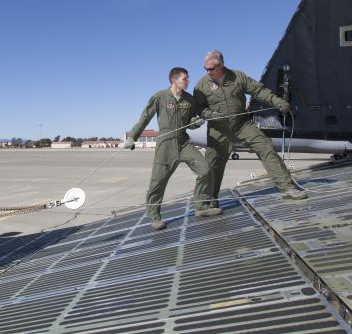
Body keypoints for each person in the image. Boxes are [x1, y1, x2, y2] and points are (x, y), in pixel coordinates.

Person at [193, 50, 307, 205]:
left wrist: (278, 102)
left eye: (211, 68)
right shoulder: (201, 84)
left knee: (266, 148)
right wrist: (211, 115)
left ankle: (288, 188)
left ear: (221, 64)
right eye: (205, 68)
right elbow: (199, 108)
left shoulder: (238, 77)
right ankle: (210, 200)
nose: (208, 72)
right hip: (218, 128)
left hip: (242, 123)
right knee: (214, 163)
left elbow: (258, 91)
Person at [125, 67, 219, 231]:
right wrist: (132, 137)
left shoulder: (189, 99)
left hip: (183, 142)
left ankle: (201, 207)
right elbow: (145, 118)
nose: (187, 81)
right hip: (166, 143)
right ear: (174, 80)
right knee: (158, 181)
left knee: (205, 170)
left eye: (187, 78)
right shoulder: (160, 97)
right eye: (185, 79)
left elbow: (192, 119)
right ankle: (154, 216)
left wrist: (196, 123)